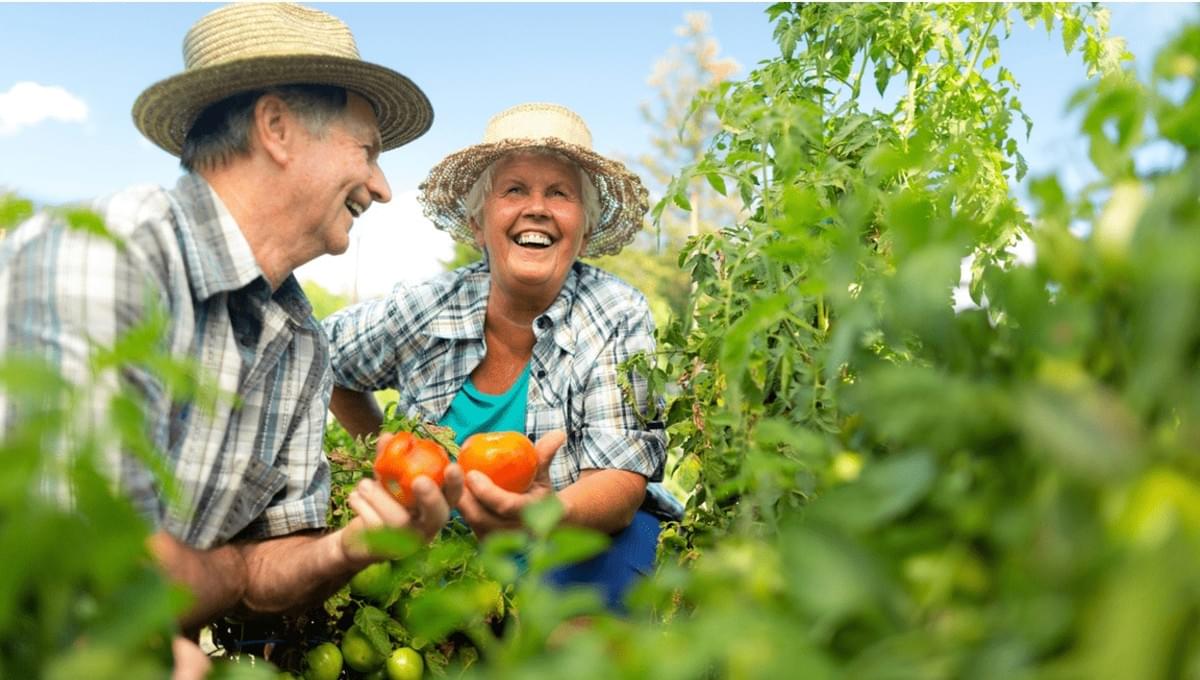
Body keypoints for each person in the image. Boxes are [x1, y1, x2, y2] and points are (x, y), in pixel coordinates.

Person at [0, 0, 462, 661]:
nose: (383, 188)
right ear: (275, 127)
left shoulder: (302, 343)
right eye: (367, 151)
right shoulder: (110, 258)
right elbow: (83, 567)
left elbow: (265, 568)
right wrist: (218, 574)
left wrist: (350, 546)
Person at [324, 102, 683, 611]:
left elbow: (620, 481)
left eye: (559, 193)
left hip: (574, 537)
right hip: (448, 558)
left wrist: (543, 513)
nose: (536, 207)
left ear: (584, 228)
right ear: (478, 223)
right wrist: (385, 458)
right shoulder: (428, 306)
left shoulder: (615, 311)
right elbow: (324, 355)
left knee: (578, 616)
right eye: (514, 189)